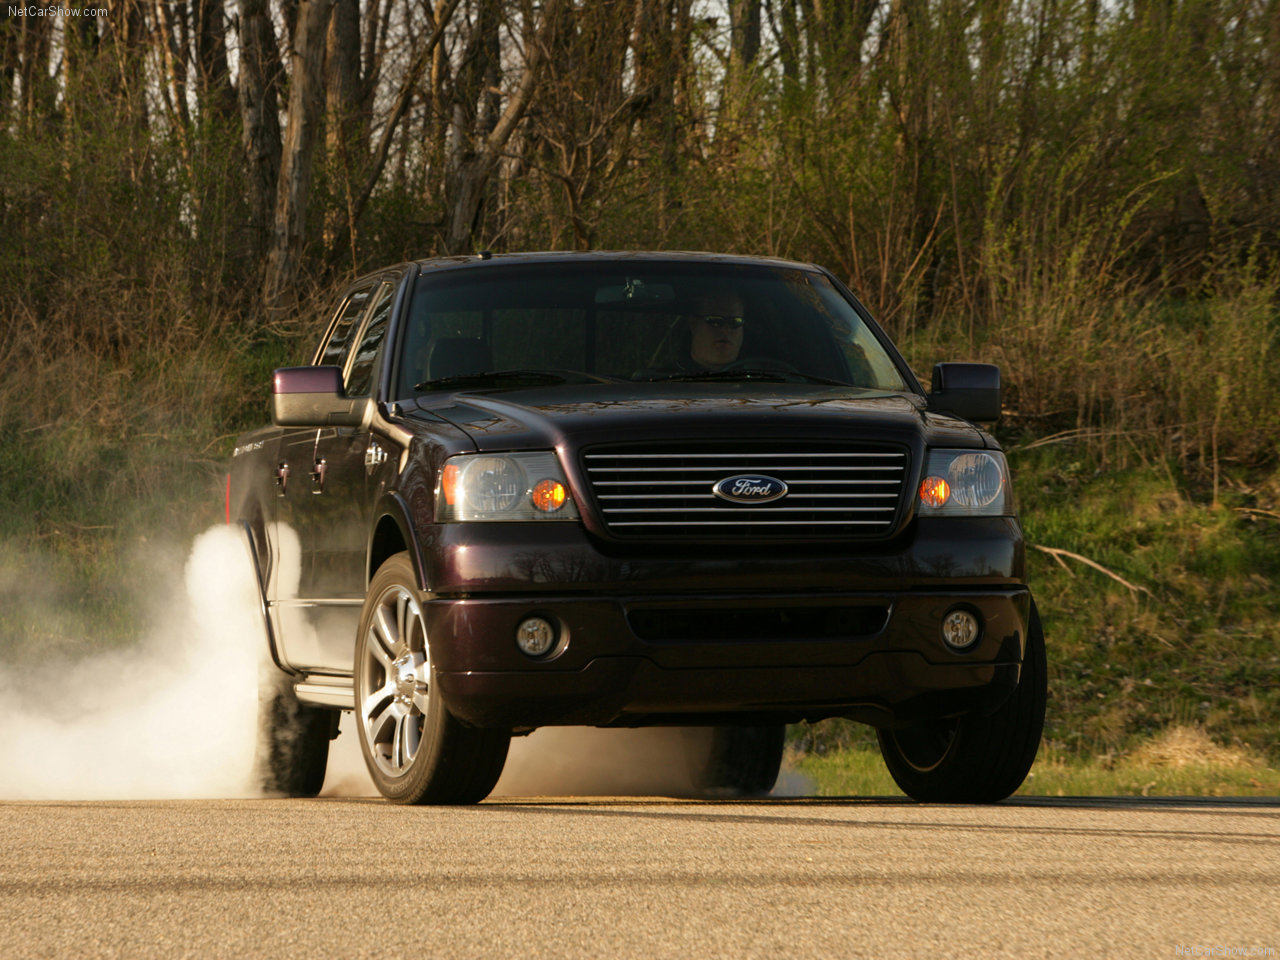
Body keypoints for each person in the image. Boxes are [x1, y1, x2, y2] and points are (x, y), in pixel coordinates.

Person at [685, 290, 745, 370]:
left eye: (734, 322)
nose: (725, 330)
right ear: (694, 324)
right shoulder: (668, 377)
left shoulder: (760, 375)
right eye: (715, 321)